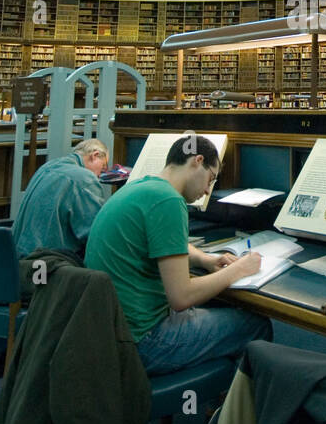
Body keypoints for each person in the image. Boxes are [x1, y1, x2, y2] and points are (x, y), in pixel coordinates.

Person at [85, 134, 272, 376]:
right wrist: (240, 268)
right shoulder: (169, 201)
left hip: (106, 331)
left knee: (216, 304)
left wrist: (204, 259)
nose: (207, 191)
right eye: (210, 179)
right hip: (142, 342)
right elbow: (181, 297)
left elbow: (166, 243)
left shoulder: (140, 188)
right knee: (254, 325)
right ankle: (228, 411)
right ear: (197, 160)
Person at [10, 138, 110, 258]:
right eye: (103, 166)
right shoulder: (84, 178)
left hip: (18, 258)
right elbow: (95, 234)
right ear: (95, 155)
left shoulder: (48, 166)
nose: (100, 174)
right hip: (45, 264)